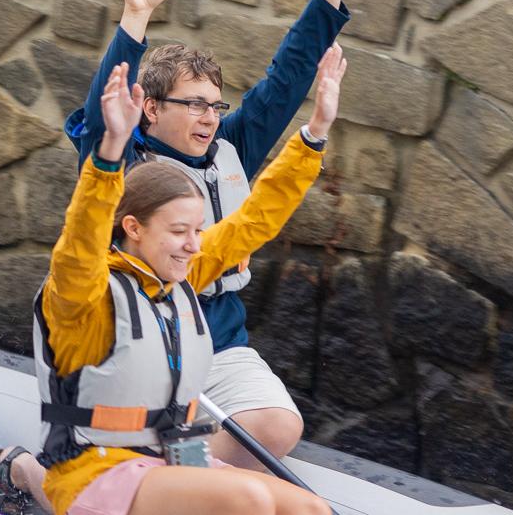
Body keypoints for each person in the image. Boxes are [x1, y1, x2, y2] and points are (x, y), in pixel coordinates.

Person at [0, 0, 376, 510]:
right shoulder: (109, 191)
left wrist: (329, 0)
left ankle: (182, 478)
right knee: (241, 497)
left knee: (293, 476)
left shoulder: (219, 181)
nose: (209, 118)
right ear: (149, 108)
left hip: (199, 339)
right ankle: (34, 474)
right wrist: (134, 19)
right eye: (193, 105)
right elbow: (94, 181)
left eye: (216, 106)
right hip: (117, 384)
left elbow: (264, 180)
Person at [33, 55, 343, 515]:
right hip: (97, 470)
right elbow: (82, 233)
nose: (194, 246)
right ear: (133, 227)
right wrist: (111, 149)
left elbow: (256, 218)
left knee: (309, 508)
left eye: (197, 231)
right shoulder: (82, 293)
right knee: (250, 499)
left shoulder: (182, 275)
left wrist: (315, 132)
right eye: (179, 232)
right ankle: (28, 473)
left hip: (178, 454)